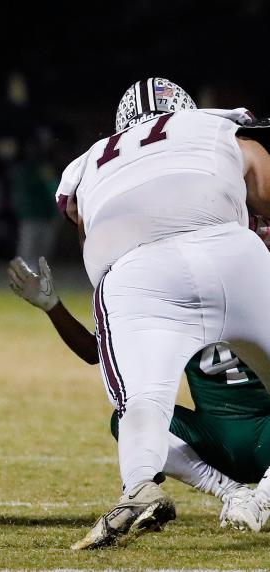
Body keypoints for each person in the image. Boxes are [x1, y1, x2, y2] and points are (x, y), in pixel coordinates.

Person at [52, 76, 270, 549]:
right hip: (232, 248)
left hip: (136, 272)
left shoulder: (90, 160)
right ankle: (258, 496)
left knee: (141, 402)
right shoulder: (215, 129)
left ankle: (138, 488)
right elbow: (258, 169)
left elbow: (82, 223)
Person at [8, 255, 270, 532]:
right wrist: (53, 306)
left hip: (266, 436)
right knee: (127, 418)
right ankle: (232, 492)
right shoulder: (177, 304)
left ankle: (260, 502)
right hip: (213, 438)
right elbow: (93, 351)